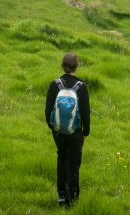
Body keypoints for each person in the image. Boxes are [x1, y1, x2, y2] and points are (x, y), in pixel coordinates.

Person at [45, 52, 90, 208]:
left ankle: (62, 197)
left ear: (62, 65)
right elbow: (85, 114)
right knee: (74, 163)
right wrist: (85, 132)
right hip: (75, 132)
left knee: (62, 159)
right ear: (76, 67)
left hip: (58, 132)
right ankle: (73, 199)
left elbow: (48, 111)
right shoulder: (81, 87)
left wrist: (54, 128)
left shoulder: (54, 85)